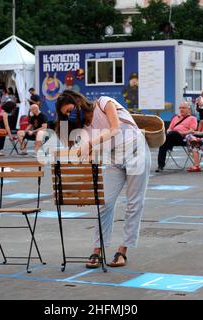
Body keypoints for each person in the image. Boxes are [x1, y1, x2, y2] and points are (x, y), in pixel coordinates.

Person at [55, 90, 151, 269]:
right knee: (104, 203)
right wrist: (83, 192)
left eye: (70, 110)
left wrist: (90, 144)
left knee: (134, 203)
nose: (70, 115)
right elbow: (86, 161)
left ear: (78, 101)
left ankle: (123, 250)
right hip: (114, 157)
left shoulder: (103, 103)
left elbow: (114, 129)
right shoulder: (84, 129)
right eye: (67, 114)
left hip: (136, 151)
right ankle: (97, 250)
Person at [156, 102, 197, 172]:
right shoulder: (175, 118)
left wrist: (181, 133)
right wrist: (169, 131)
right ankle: (160, 166)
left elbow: (192, 131)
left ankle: (165, 139)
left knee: (173, 133)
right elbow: (169, 128)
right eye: (180, 108)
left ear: (188, 109)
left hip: (184, 138)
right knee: (163, 143)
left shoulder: (192, 118)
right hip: (172, 137)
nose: (181, 110)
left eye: (183, 108)